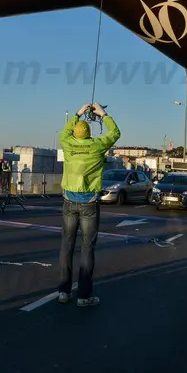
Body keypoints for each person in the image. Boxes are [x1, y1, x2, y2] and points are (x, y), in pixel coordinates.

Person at [57, 102, 121, 307]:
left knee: (67, 246)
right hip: (89, 203)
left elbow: (64, 133)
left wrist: (78, 112)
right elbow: (115, 132)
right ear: (89, 133)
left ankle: (63, 292)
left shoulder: (67, 143)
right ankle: (84, 296)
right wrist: (103, 114)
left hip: (69, 200)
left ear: (75, 133)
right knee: (87, 248)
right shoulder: (97, 145)